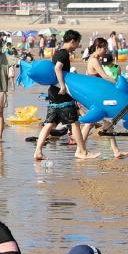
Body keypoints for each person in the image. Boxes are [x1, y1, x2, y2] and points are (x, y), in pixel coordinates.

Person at [34, 30, 100, 161]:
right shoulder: (63, 54)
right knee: (74, 123)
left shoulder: (58, 52)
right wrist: (63, 86)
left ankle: (38, 151)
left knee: (49, 124)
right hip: (62, 92)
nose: (77, 46)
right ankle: (82, 152)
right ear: (72, 41)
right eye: (77, 43)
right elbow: (57, 68)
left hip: (53, 92)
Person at [81, 38, 128, 159]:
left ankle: (116, 151)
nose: (106, 50)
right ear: (98, 48)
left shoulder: (95, 59)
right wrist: (117, 86)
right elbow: (104, 76)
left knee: (108, 123)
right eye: (105, 48)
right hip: (96, 97)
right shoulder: (94, 60)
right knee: (89, 123)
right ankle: (80, 150)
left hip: (97, 94)